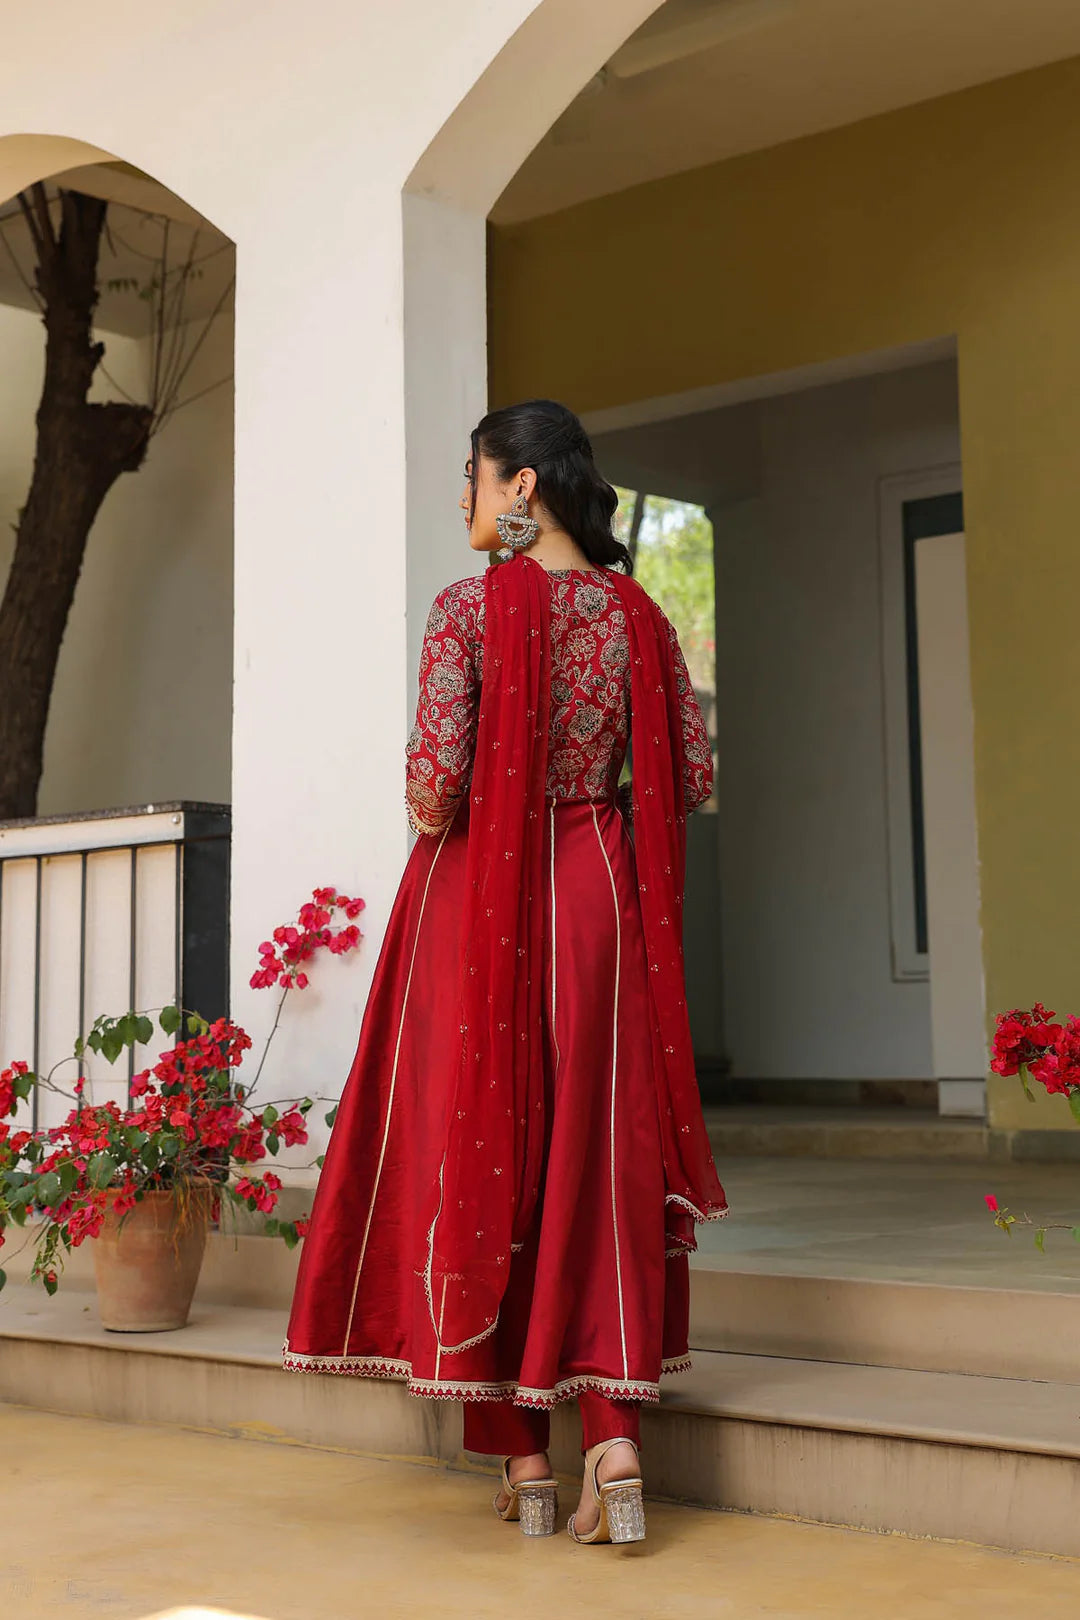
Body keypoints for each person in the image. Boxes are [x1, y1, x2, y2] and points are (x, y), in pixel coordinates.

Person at [283, 399, 727, 1544]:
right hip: (599, 899)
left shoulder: (468, 611)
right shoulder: (640, 619)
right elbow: (688, 778)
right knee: (594, 1154)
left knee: (482, 1145)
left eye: (472, 477)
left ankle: (525, 1460)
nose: (464, 499)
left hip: (480, 900)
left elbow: (436, 791)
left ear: (520, 485)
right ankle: (614, 1440)